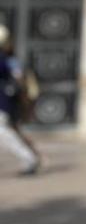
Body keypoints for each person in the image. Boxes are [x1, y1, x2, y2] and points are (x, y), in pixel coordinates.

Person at [0, 28, 39, 176]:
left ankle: (30, 158)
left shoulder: (6, 59)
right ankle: (30, 157)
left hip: (3, 104)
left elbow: (20, 80)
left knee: (5, 132)